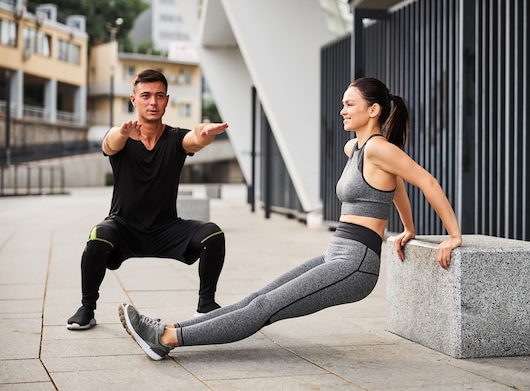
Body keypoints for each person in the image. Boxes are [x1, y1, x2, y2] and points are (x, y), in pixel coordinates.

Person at [118, 77, 462, 359]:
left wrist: (453, 235)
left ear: (373, 110)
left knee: (266, 306)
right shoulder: (355, 148)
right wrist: (408, 228)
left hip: (356, 264)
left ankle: (166, 338)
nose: (342, 110)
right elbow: (396, 185)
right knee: (256, 297)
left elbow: (426, 181)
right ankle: (169, 330)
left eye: (349, 104)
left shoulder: (378, 147)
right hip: (336, 253)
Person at [67, 69, 229, 330]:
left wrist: (205, 133)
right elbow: (109, 145)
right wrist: (123, 133)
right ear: (134, 100)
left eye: (159, 95)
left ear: (166, 100)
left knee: (213, 234)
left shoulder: (176, 138)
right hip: (123, 227)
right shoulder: (121, 136)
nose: (153, 102)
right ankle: (87, 308)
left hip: (166, 228)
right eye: (146, 95)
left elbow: (195, 139)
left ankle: (205, 306)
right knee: (98, 236)